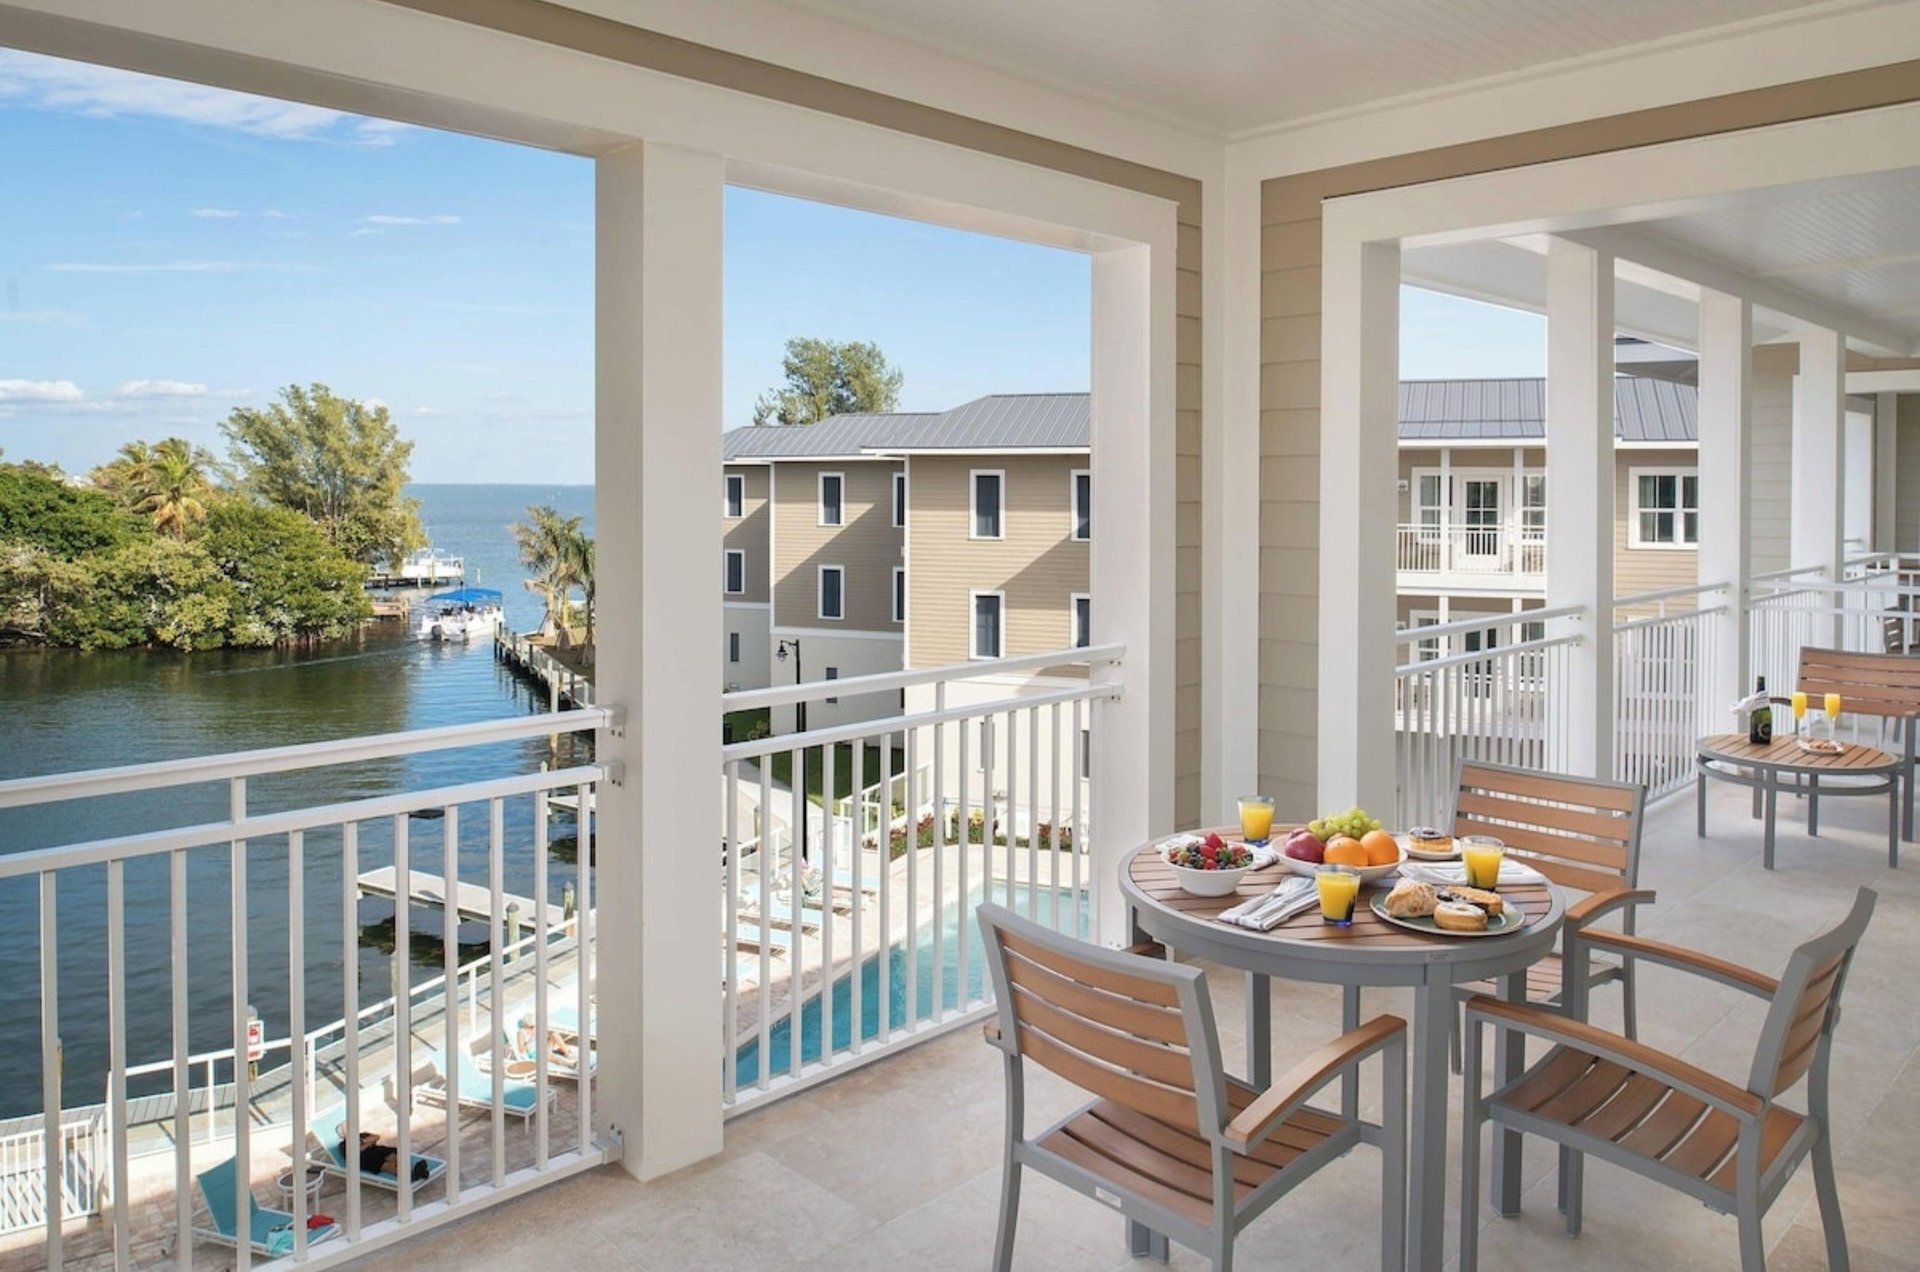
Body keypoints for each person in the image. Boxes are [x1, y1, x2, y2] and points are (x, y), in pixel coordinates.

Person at [341, 1130, 429, 1182]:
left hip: (376, 1150)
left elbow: (376, 1137)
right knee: (384, 1165)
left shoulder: (361, 1136)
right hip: (363, 1158)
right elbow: (356, 1151)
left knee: (397, 1154)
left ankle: (414, 1170)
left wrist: (362, 1143)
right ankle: (410, 1175)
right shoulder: (343, 1145)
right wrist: (367, 1143)